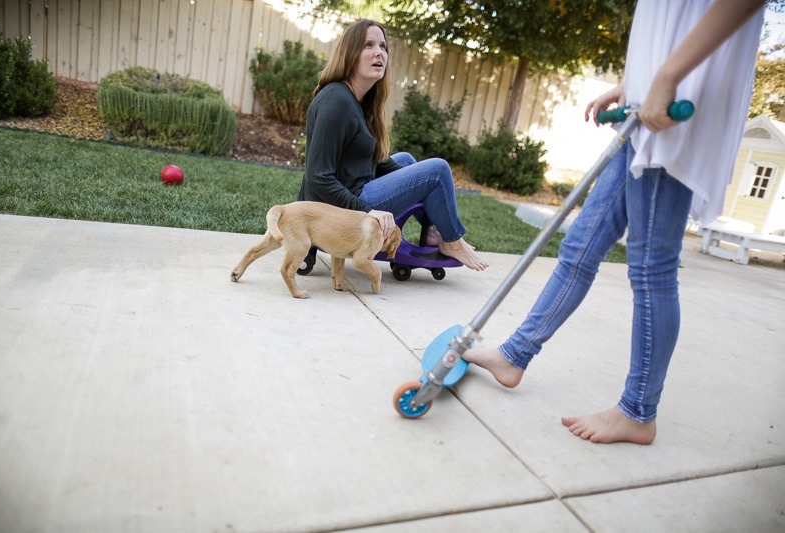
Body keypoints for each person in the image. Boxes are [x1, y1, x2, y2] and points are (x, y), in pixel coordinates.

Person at [463, 0, 765, 445]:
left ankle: (638, 412)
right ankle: (514, 356)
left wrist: (665, 78)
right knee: (579, 247)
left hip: (675, 105)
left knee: (651, 268)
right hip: (650, 102)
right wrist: (634, 81)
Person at [297, 19, 488, 272]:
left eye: (383, 47)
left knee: (408, 161)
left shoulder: (357, 100)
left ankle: (435, 232)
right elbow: (318, 177)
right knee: (437, 170)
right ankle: (452, 241)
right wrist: (368, 211)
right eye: (368, 45)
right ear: (350, 54)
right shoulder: (336, 101)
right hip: (340, 208)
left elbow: (369, 159)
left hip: (353, 189)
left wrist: (412, 177)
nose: (379, 53)